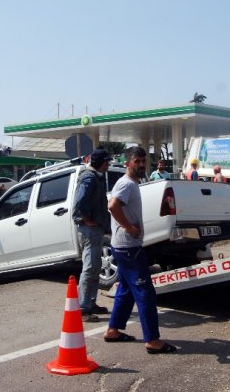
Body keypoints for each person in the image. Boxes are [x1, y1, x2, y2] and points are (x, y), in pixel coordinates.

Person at [103, 146, 177, 354]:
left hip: (127, 247)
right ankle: (152, 341)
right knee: (145, 293)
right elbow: (112, 205)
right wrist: (129, 227)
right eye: (138, 161)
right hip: (128, 247)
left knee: (126, 291)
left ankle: (113, 331)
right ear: (127, 163)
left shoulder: (133, 183)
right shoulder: (126, 184)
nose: (142, 165)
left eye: (144, 162)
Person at [72, 148, 112, 322]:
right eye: (106, 161)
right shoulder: (89, 178)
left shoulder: (96, 177)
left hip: (95, 228)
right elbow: (79, 203)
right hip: (90, 230)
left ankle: (90, 303)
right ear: (100, 163)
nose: (108, 164)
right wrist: (87, 220)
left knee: (95, 267)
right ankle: (83, 308)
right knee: (89, 268)